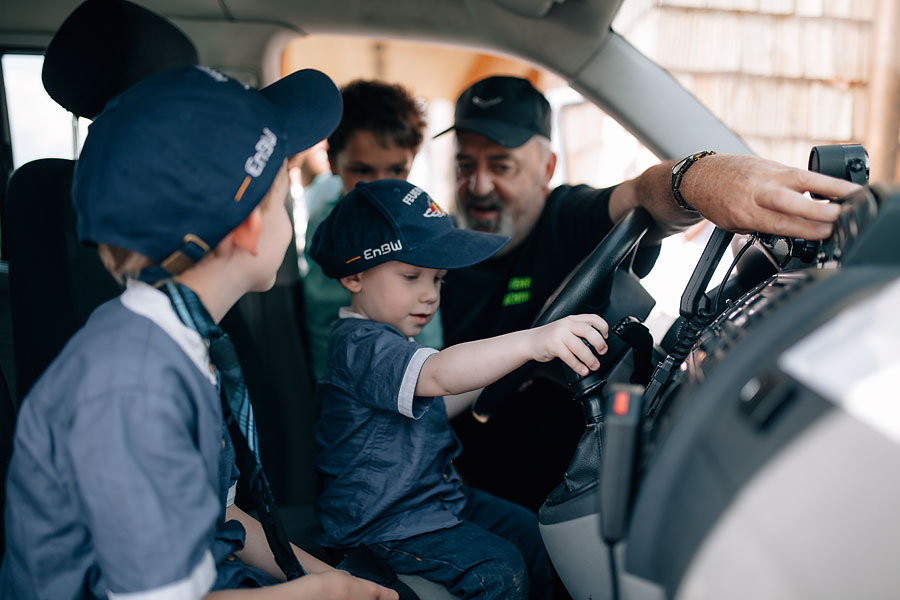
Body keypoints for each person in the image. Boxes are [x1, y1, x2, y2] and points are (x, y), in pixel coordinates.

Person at [0, 65, 396, 600]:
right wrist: (323, 596)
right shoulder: (131, 385)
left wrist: (331, 579)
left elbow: (219, 517)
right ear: (250, 226)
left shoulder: (183, 343)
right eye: (282, 196)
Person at [435, 75, 862, 511]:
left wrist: (699, 178)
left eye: (501, 166)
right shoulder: (435, 254)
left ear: (546, 169)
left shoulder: (567, 219)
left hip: (578, 483)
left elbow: (644, 195)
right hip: (461, 486)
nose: (480, 185)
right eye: (465, 165)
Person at [307, 178, 610, 599]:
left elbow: (441, 397)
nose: (429, 296)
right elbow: (439, 375)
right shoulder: (361, 346)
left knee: (533, 532)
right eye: (412, 276)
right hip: (381, 523)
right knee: (499, 571)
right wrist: (530, 341)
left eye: (438, 280)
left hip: (432, 501)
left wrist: (518, 363)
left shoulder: (392, 341)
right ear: (354, 276)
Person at [302, 79, 442, 380]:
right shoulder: (322, 219)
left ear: (412, 160)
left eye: (395, 170)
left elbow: (428, 333)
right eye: (362, 171)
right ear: (333, 162)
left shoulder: (416, 221)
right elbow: (317, 321)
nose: (379, 187)